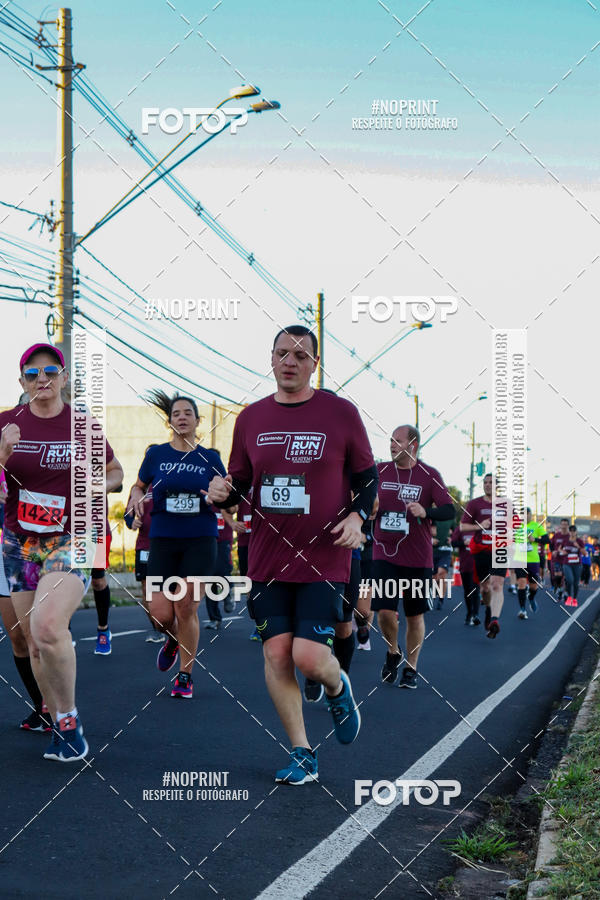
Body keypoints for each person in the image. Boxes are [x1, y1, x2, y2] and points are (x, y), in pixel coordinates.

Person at [206, 325, 377, 784]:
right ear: (272, 358)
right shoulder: (251, 418)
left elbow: (367, 478)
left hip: (325, 555)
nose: (290, 362)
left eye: (300, 355)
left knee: (307, 656)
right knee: (277, 655)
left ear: (314, 363)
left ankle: (338, 686)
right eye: (282, 353)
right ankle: (302, 752)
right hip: (265, 556)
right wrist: (222, 492)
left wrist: (359, 519)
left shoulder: (340, 413)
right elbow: (239, 481)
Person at [1, 343, 123, 761]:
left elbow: (116, 472)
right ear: (21, 382)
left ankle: (69, 723)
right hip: (20, 543)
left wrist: (98, 485)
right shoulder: (5, 424)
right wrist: (2, 454)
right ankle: (55, 714)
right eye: (32, 374)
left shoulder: (84, 427)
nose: (42, 379)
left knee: (49, 626)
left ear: (64, 378)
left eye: (51, 371)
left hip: (77, 535)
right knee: (33, 642)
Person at [130, 390, 225, 699]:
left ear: (198, 421)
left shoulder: (210, 457)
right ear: (169, 421)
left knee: (186, 606)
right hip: (163, 539)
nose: (181, 417)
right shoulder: (156, 454)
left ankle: (185, 675)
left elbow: (228, 494)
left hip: (200, 538)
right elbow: (139, 484)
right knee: (159, 614)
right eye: (176, 413)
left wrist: (220, 495)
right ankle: (173, 639)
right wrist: (134, 496)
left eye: (187, 413)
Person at [370, 425, 454, 688]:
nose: (392, 445)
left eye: (398, 440)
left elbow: (449, 510)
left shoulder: (429, 475)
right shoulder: (380, 470)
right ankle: (393, 651)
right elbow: (360, 497)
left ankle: (412, 666)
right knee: (384, 613)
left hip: (417, 558)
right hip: (383, 552)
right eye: (391, 441)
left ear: (413, 444)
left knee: (414, 616)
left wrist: (425, 512)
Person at [460, 474, 509, 639]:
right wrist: (480, 525)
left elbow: (516, 525)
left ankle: (495, 620)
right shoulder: (474, 504)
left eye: (491, 483)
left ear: (497, 486)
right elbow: (462, 526)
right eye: (485, 483)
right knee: (486, 587)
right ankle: (489, 609)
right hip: (481, 551)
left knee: (497, 584)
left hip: (500, 549)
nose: (487, 485)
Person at [124, 477, 163, 642]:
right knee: (146, 589)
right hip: (144, 545)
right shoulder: (137, 490)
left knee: (167, 588)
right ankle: (157, 629)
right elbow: (128, 515)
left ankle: (174, 624)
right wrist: (132, 522)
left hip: (165, 543)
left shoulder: (166, 483)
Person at [512, 508, 548, 619]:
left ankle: (531, 598)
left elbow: (547, 540)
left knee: (533, 586)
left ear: (530, 515)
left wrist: (535, 539)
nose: (524, 516)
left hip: (533, 560)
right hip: (519, 559)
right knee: (522, 583)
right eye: (522, 514)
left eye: (527, 514)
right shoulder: (516, 527)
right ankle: (522, 609)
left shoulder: (537, 526)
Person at [451, 524, 481, 625]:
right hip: (465, 565)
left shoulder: (480, 528)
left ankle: (475, 614)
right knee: (468, 590)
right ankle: (469, 613)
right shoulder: (460, 528)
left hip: (477, 564)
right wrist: (464, 543)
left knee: (475, 589)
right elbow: (453, 543)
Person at [431, 519, 453, 610]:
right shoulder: (431, 516)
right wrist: (430, 540)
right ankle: (434, 592)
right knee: (434, 577)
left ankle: (441, 599)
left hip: (445, 551)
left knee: (442, 574)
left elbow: (457, 532)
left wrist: (452, 538)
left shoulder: (451, 518)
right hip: (432, 552)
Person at [561, 525, 585, 607]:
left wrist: (578, 546)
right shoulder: (565, 540)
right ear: (569, 532)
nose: (572, 532)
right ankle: (569, 597)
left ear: (576, 532)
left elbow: (585, 553)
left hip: (577, 564)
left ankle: (574, 599)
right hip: (567, 563)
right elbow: (559, 549)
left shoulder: (580, 541)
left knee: (575, 583)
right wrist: (562, 551)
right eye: (570, 531)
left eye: (574, 531)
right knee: (570, 580)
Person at [550, 519, 571, 602]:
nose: (564, 526)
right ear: (560, 525)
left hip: (567, 560)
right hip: (557, 559)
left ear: (568, 526)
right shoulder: (556, 535)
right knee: (558, 576)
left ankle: (565, 593)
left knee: (566, 578)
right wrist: (553, 551)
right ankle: (560, 590)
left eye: (565, 525)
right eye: (562, 524)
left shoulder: (570, 536)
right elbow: (551, 545)